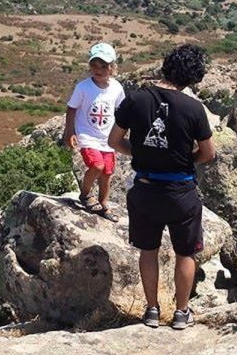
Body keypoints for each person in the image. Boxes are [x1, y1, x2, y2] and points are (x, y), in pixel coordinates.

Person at [108, 44, 215, 330]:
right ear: (192, 77)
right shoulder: (193, 108)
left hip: (145, 189)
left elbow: (114, 141)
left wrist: (141, 154)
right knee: (185, 253)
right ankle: (181, 313)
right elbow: (208, 153)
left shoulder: (134, 99)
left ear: (166, 66)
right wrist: (186, 160)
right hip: (181, 191)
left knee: (148, 251)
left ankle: (152, 310)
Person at [63, 42, 126, 222]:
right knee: (97, 166)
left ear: (113, 67)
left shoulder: (116, 88)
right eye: (94, 65)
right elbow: (72, 108)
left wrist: (122, 134)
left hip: (107, 139)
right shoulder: (83, 87)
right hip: (87, 135)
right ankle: (85, 194)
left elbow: (122, 111)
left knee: (107, 173)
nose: (98, 70)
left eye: (103, 66)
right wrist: (70, 131)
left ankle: (103, 204)